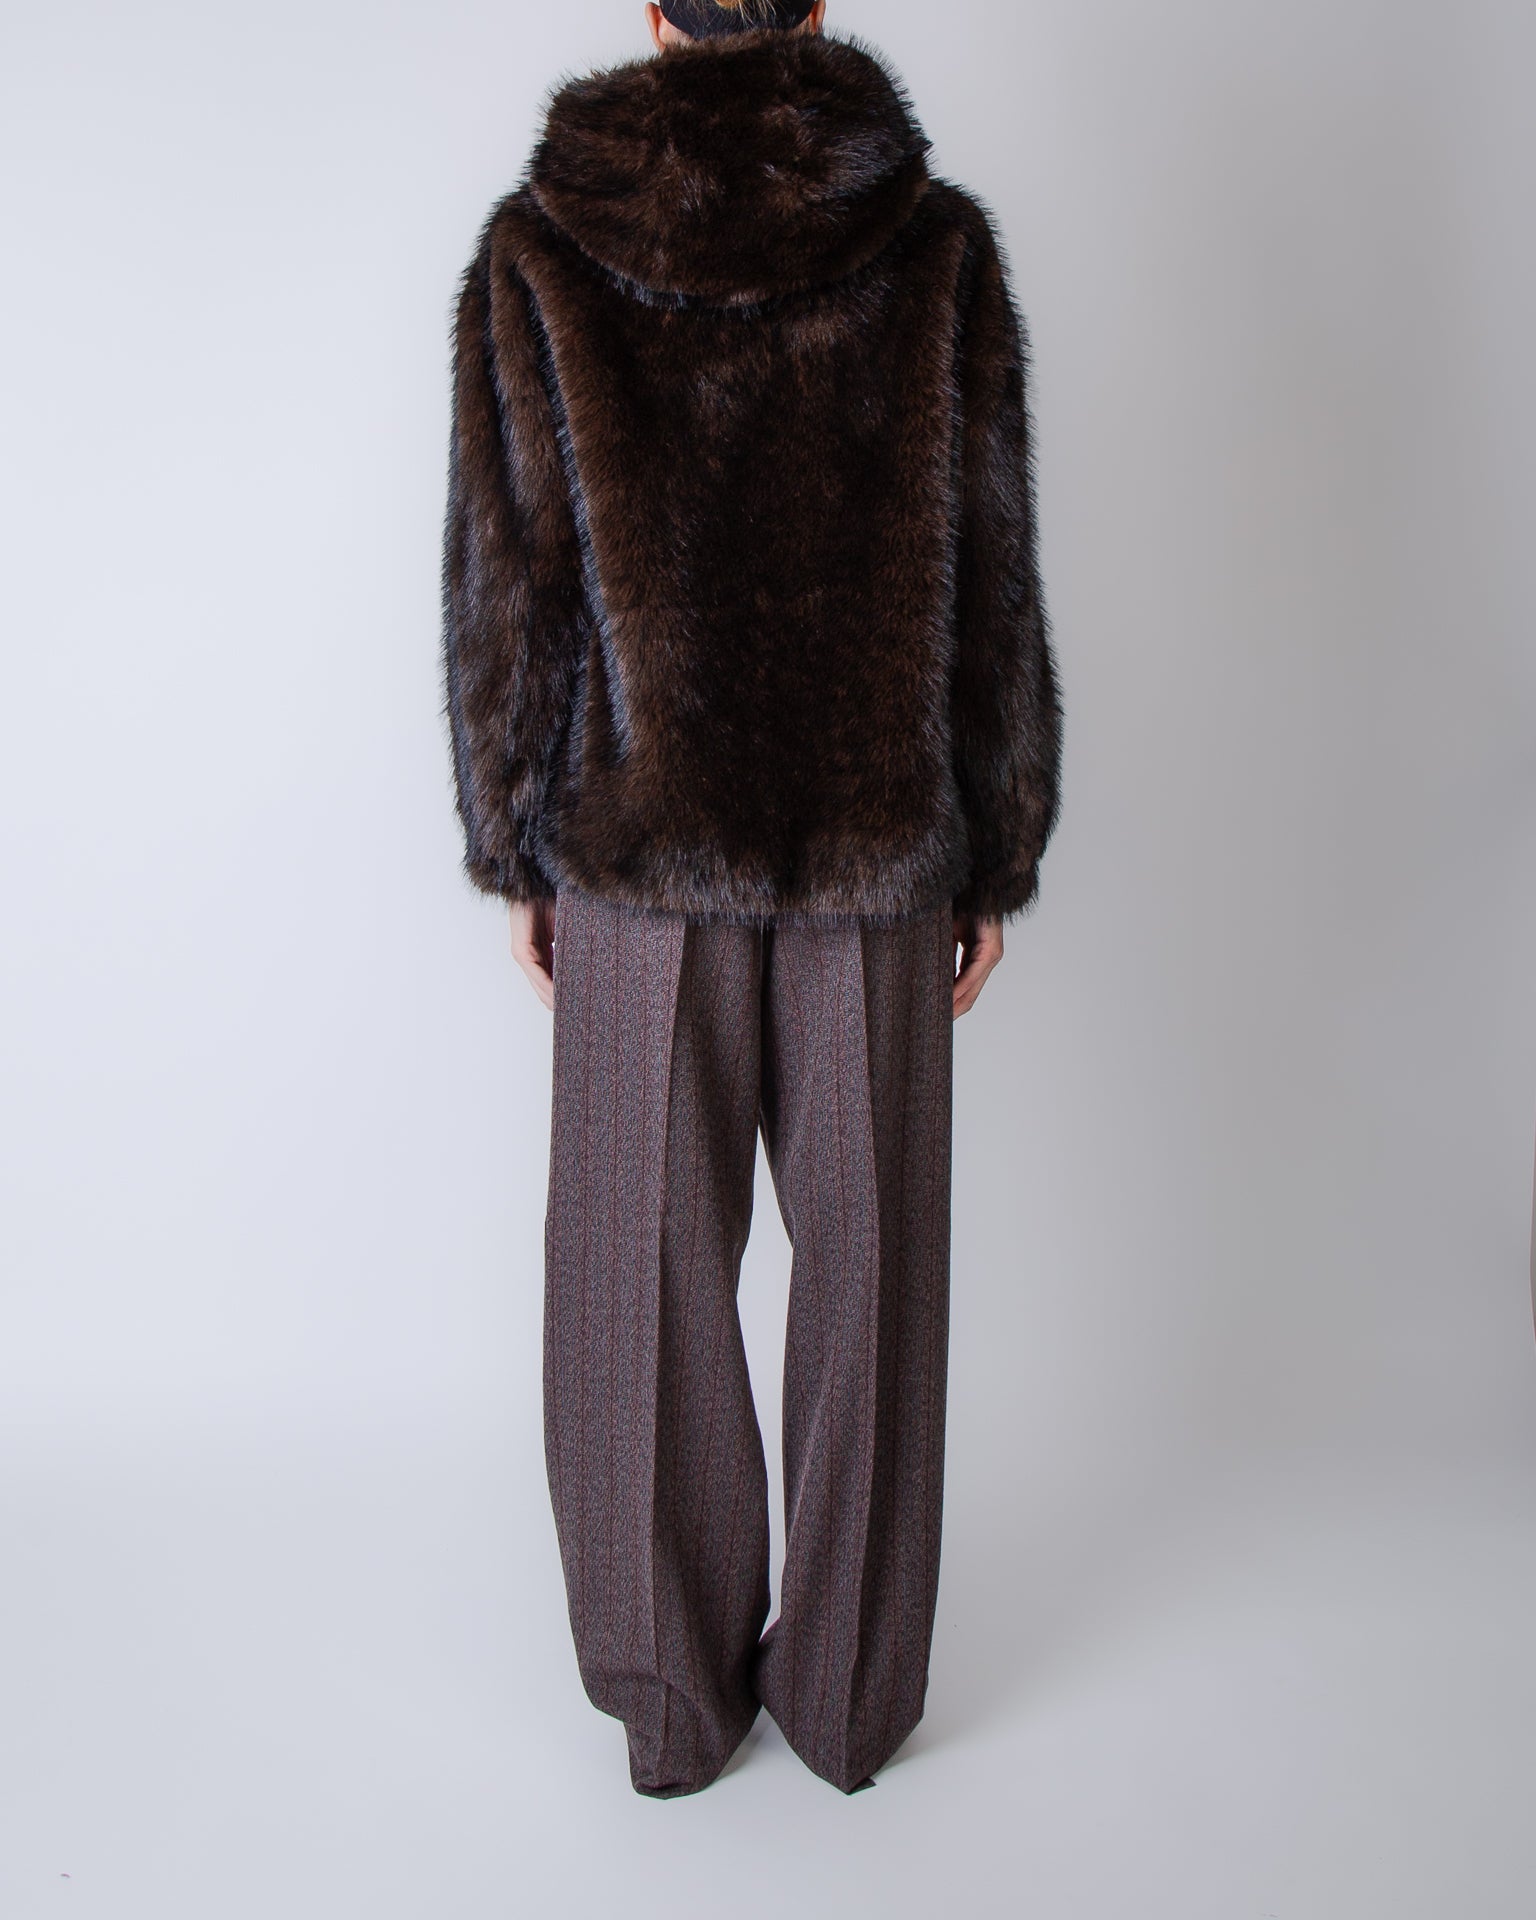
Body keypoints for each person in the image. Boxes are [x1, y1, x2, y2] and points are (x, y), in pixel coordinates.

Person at [441, 0, 1062, 1799]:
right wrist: (995, 838)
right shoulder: (934, 248)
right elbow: (992, 574)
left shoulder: (543, 247)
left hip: (640, 853)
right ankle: (852, 1698)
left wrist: (515, 837)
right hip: (879, 841)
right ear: (815, 3)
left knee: (632, 1268)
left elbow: (512, 578)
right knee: (875, 1268)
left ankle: (669, 1701)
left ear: (655, 10)